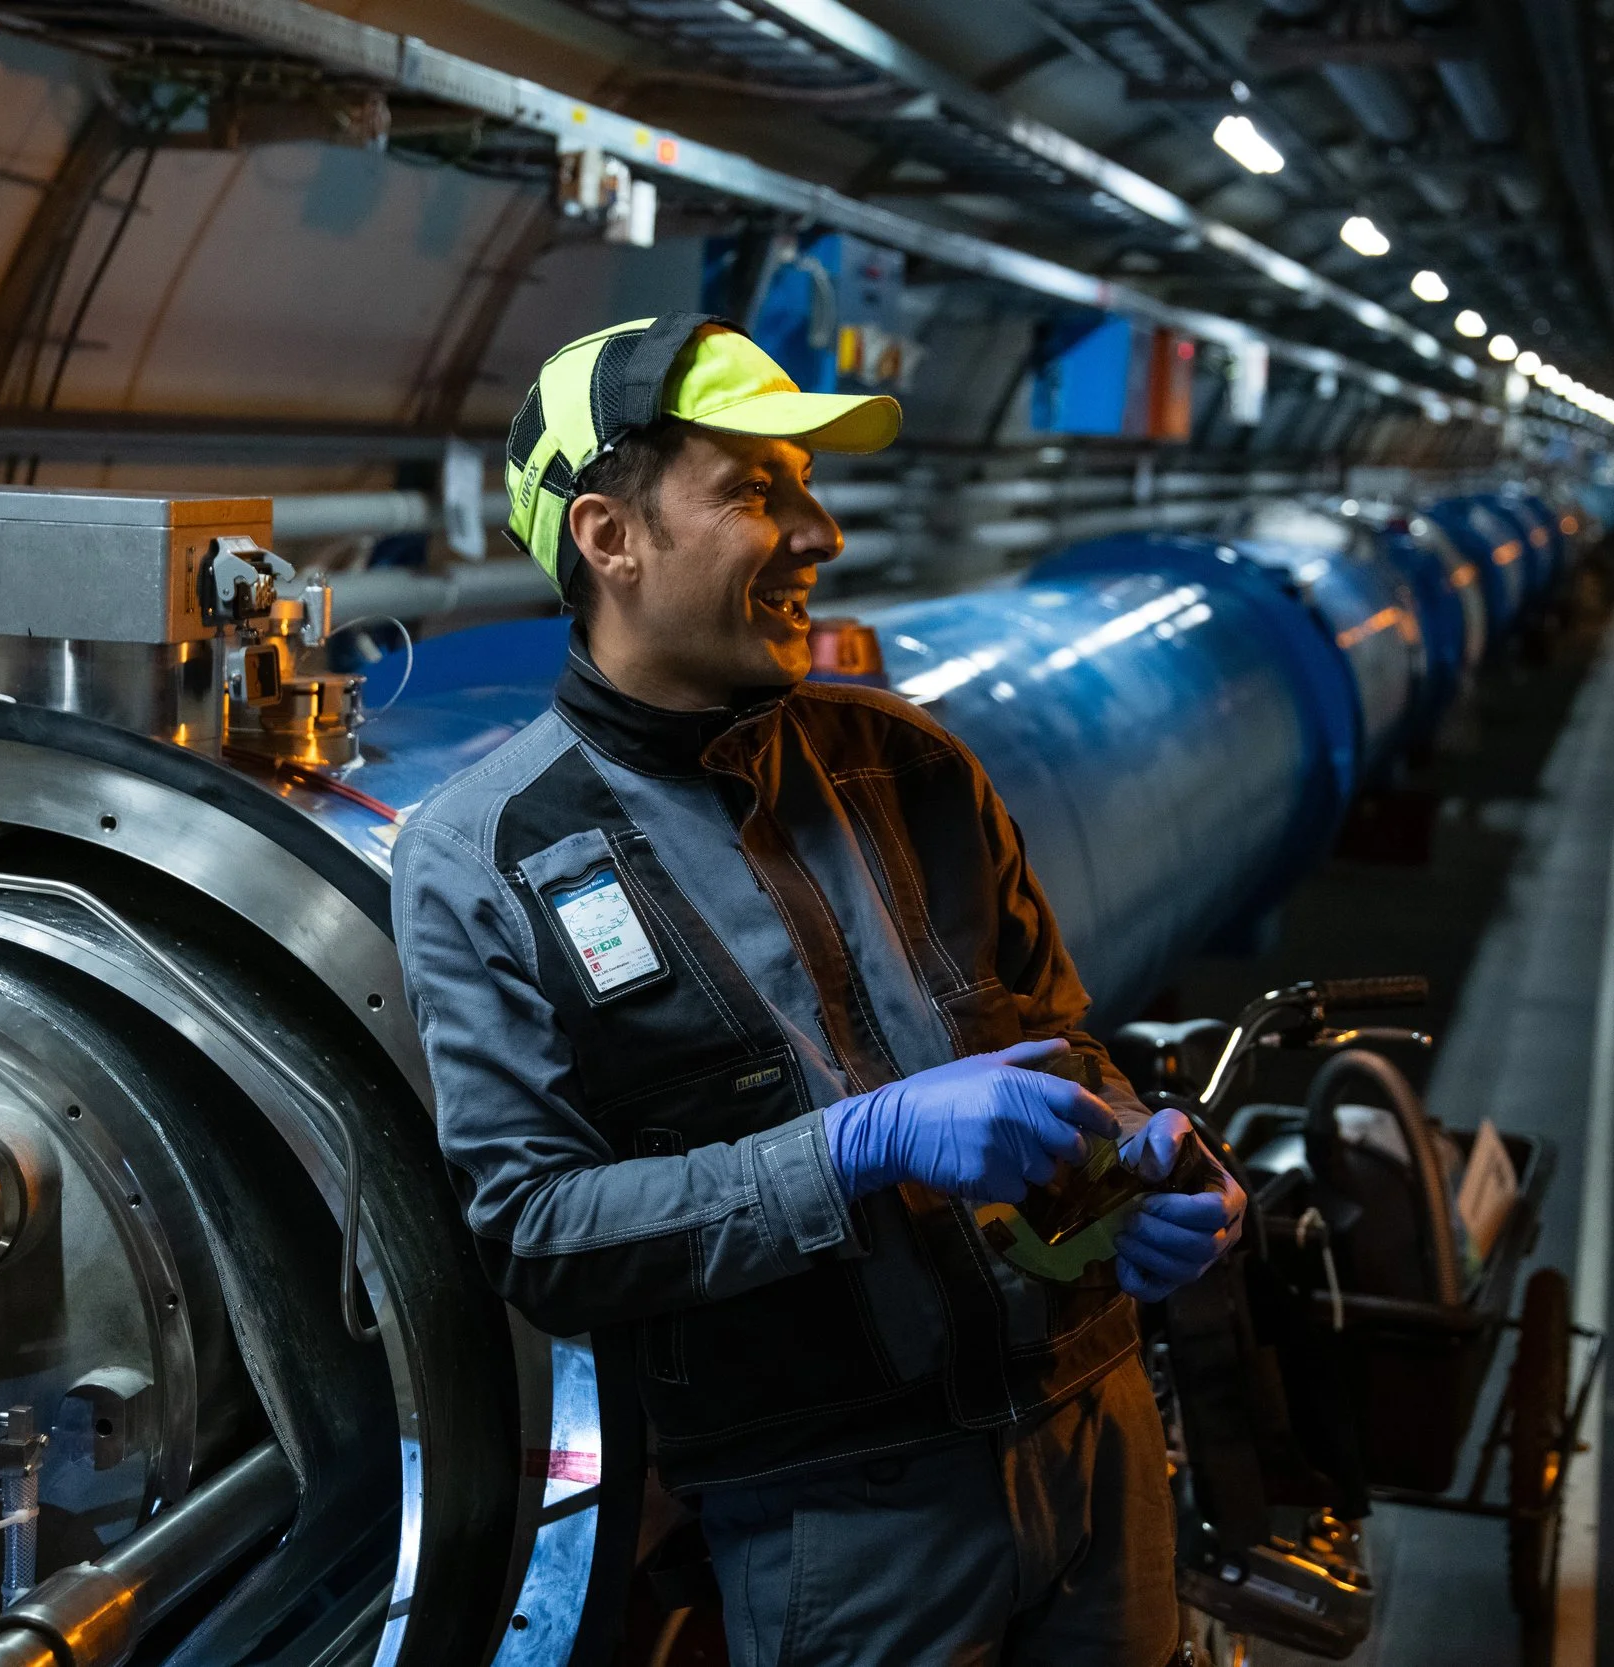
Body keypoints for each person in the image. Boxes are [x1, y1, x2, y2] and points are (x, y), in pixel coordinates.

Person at [392, 312, 1247, 1666]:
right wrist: (856, 1147)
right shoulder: (487, 856)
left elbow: (1064, 1047)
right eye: (756, 490)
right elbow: (541, 1233)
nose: (819, 532)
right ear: (611, 537)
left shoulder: (910, 764)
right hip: (847, 1523)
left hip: (1100, 1438)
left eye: (806, 487)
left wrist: (1149, 1168)